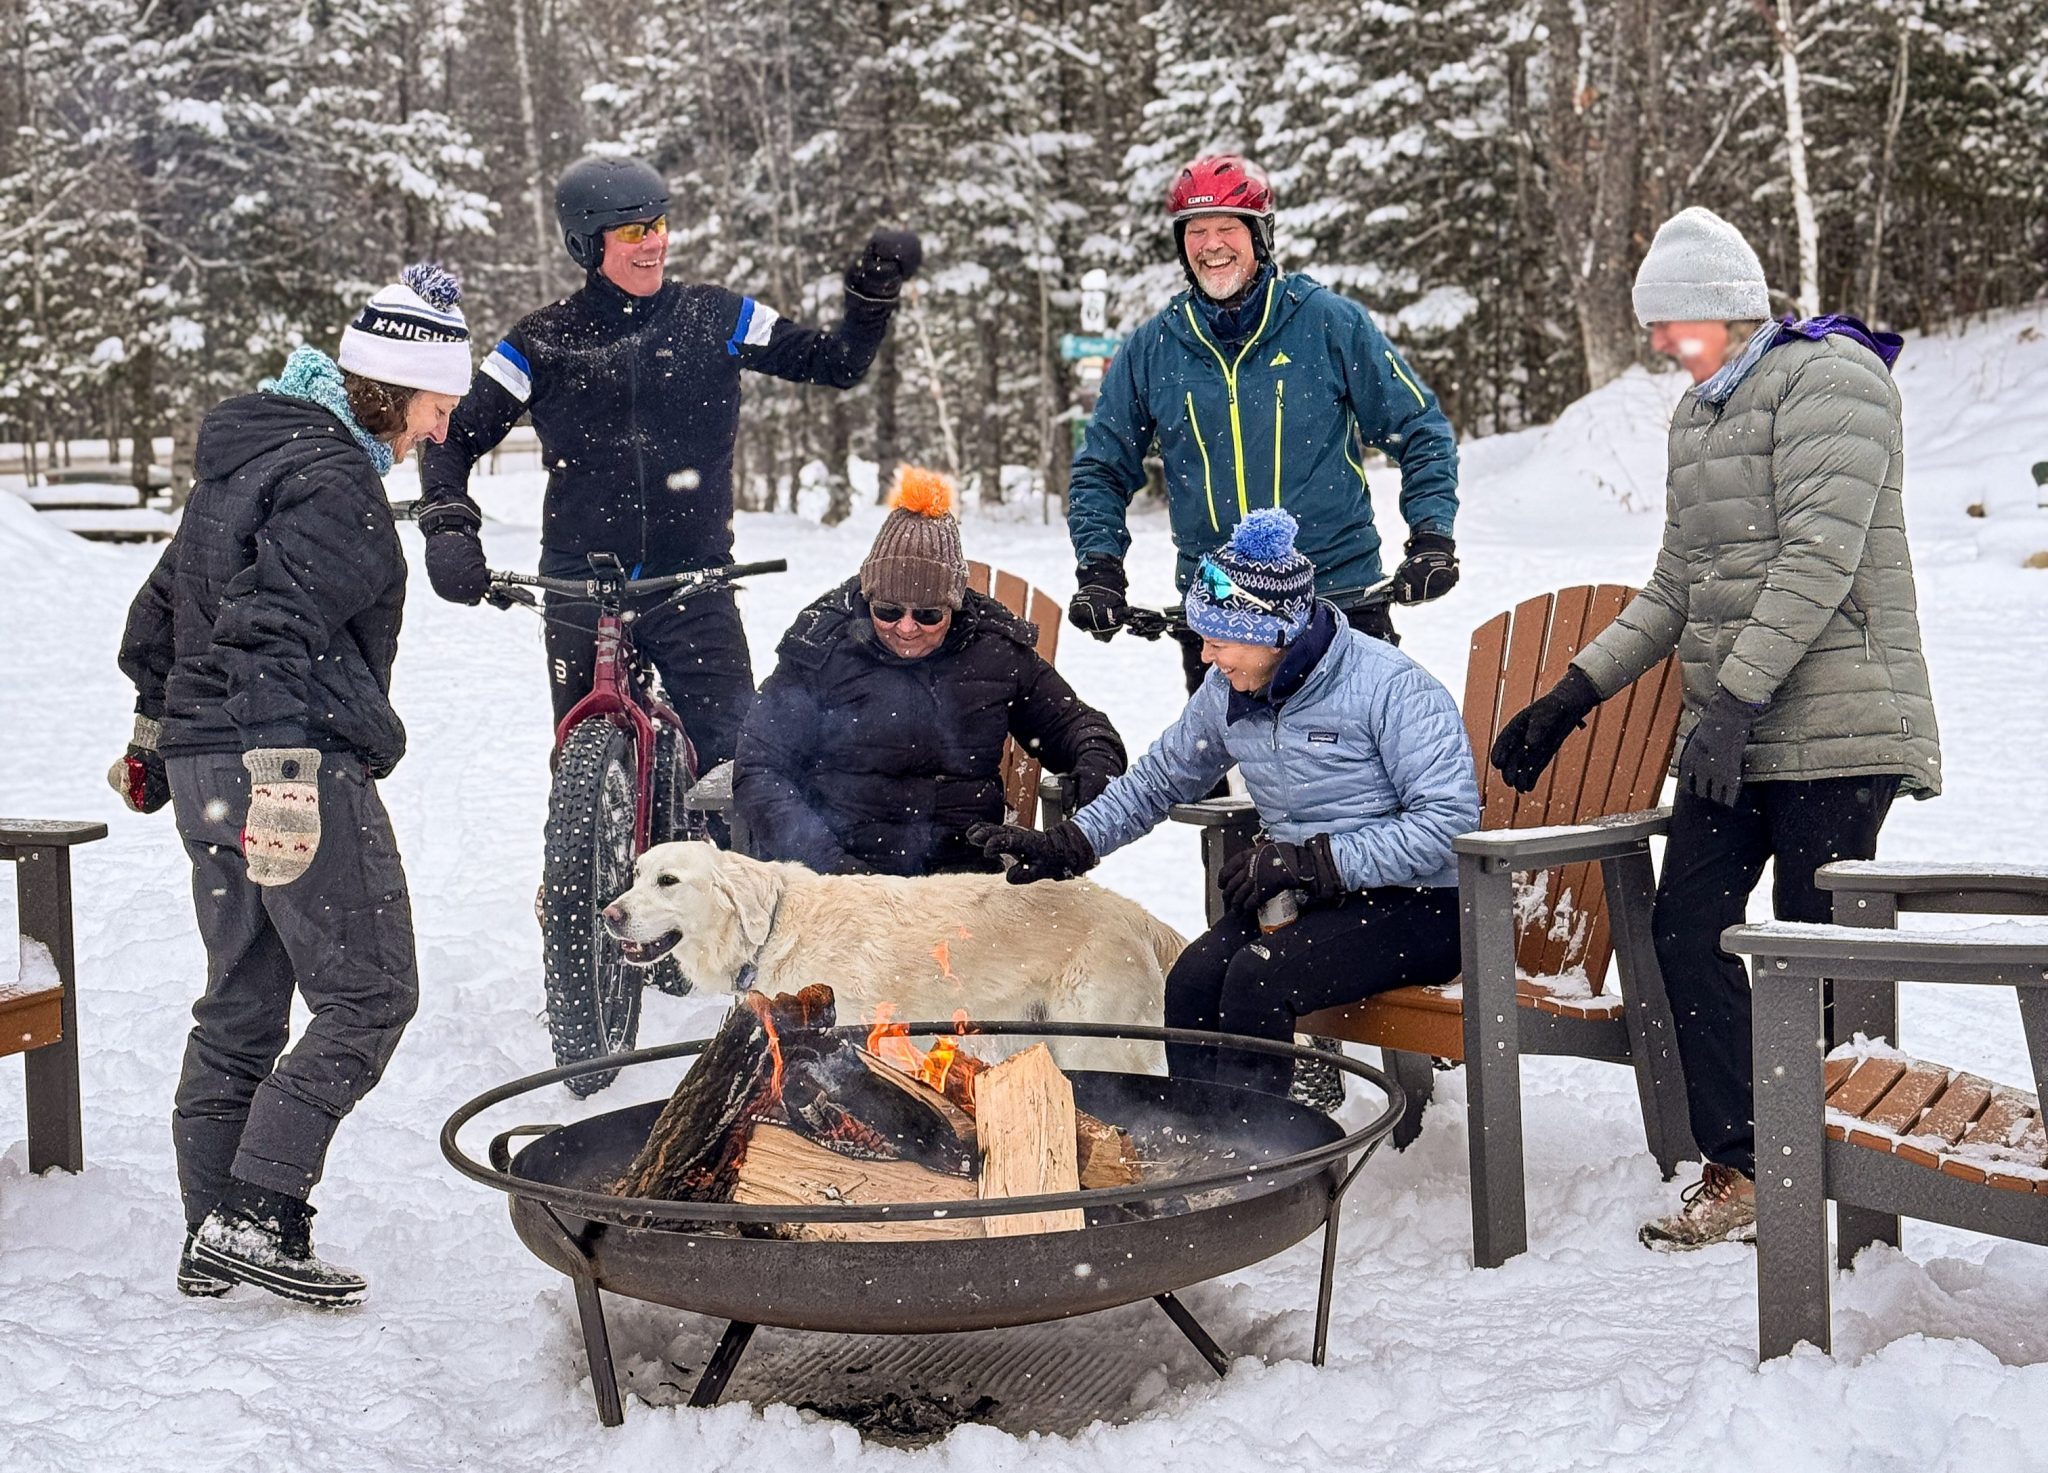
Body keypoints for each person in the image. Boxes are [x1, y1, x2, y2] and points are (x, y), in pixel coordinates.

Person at [1488, 206, 1941, 1250]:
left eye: (1669, 322)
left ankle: (1837, 1170)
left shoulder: (1832, 382)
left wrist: (1731, 700)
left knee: (1810, 949)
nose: (1657, 343)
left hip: (1838, 723)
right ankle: (1745, 1162)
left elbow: (1819, 561)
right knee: (1686, 929)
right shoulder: (1697, 417)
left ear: (1724, 307)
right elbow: (1674, 586)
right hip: (1736, 728)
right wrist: (1571, 695)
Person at [110, 265, 472, 1306]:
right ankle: (258, 1212)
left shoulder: (249, 460)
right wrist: (281, 773)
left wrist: (154, 739)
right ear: (391, 390)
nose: (439, 430)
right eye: (436, 406)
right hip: (288, 762)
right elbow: (270, 627)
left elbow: (158, 612)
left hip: (203, 767)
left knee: (241, 1005)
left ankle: (210, 1234)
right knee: (370, 994)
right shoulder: (335, 481)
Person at [415, 154, 921, 784]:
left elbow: (834, 361)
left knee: (736, 775)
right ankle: (582, 844)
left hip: (692, 579)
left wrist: (870, 297)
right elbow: (452, 435)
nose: (654, 243)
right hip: (581, 584)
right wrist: (448, 525)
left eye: (659, 225)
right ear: (586, 244)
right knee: (581, 769)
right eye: (633, 231)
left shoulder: (717, 316)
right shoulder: (541, 340)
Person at [970, 509, 1478, 1095]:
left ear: (1275, 632)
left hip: (1420, 905)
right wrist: (1072, 842)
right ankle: (1196, 1133)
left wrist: (1314, 861)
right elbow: (1162, 777)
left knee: (1258, 981)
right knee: (1192, 978)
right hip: (1310, 898)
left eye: (1219, 641)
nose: (1207, 657)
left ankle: (1255, 1143)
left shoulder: (1391, 687)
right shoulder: (1230, 689)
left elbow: (1446, 823)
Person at [1066, 153, 1462, 690]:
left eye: (1227, 227)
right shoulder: (1154, 348)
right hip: (1219, 612)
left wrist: (1432, 536)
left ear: (1259, 235)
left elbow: (1419, 430)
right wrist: (1100, 569)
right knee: (1212, 747)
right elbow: (1101, 468)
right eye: (1196, 231)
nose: (1211, 245)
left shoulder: (1326, 322)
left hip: (1337, 601)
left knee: (1355, 746)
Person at [735, 468, 1127, 876]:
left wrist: (1095, 765)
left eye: (927, 615)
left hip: (963, 876)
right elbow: (759, 767)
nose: (906, 628)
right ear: (868, 597)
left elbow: (1078, 727)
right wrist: (828, 863)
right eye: (888, 611)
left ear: (953, 606)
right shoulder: (822, 649)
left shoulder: (995, 651)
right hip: (842, 874)